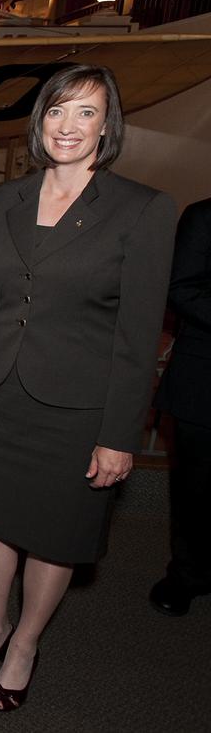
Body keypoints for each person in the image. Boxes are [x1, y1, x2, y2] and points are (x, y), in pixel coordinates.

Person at [0, 64, 176, 711]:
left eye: (86, 112)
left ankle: (25, 643)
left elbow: (139, 337)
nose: (68, 126)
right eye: (58, 110)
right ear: (39, 119)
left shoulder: (143, 209)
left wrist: (118, 436)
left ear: (108, 126)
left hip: (79, 406)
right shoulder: (4, 201)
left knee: (54, 534)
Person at [150, 195, 211, 616]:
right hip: (204, 381)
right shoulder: (204, 216)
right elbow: (180, 286)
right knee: (198, 488)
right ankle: (187, 575)